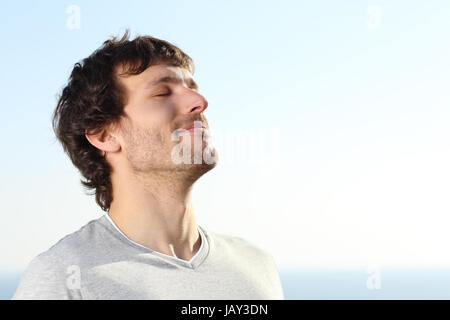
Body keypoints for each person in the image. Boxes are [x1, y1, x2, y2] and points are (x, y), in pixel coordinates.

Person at [12, 30, 284, 300]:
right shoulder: (63, 277)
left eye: (193, 89)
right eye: (162, 93)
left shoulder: (257, 266)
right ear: (104, 135)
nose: (199, 102)